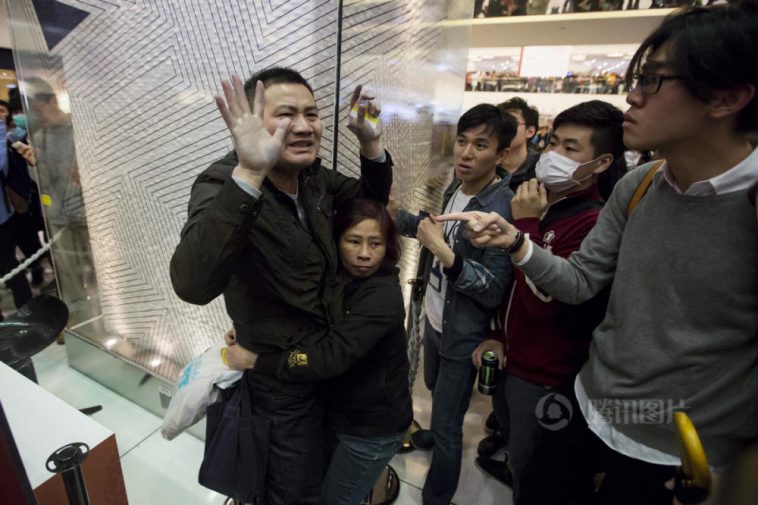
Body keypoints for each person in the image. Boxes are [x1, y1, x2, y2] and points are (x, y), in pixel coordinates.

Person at [438, 4, 758, 504]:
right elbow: (579, 280)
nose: (632, 95)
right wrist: (517, 241)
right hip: (585, 408)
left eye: (654, 81)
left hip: (676, 453)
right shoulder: (641, 185)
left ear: (728, 97)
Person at [170, 68, 393, 504]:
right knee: (291, 492)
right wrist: (251, 173)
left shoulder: (313, 179)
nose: (305, 126)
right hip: (279, 387)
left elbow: (369, 208)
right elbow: (192, 283)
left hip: (326, 365)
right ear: (254, 122)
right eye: (287, 115)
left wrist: (370, 143)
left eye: (312, 114)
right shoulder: (222, 182)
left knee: (327, 474)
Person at [471, 100, 625, 500]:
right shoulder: (545, 203)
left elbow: (547, 299)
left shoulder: (592, 222)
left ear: (602, 162)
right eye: (553, 142)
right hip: (512, 360)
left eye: (570, 149)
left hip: (545, 376)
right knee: (518, 454)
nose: (553, 156)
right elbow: (512, 287)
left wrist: (524, 227)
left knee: (534, 472)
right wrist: (497, 335)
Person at [223, 198, 412, 505]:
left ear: (388, 246)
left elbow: (326, 357)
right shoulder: (337, 276)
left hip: (370, 430)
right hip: (341, 414)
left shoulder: (382, 298)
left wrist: (256, 359)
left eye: (375, 244)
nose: (364, 254)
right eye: (354, 241)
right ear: (335, 241)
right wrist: (252, 332)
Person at [393, 103, 516, 505]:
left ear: (500, 155)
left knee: (449, 423)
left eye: (480, 145)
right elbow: (434, 231)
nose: (465, 153)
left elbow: (493, 288)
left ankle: (437, 496)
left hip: (465, 333)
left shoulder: (501, 208)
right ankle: (431, 433)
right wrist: (400, 217)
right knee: (432, 387)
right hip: (435, 316)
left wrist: (445, 255)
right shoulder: (457, 187)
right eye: (462, 141)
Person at [497, 97, 541, 191]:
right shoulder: (486, 164)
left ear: (530, 132)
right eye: (499, 123)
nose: (503, 128)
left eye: (512, 122)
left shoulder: (540, 170)